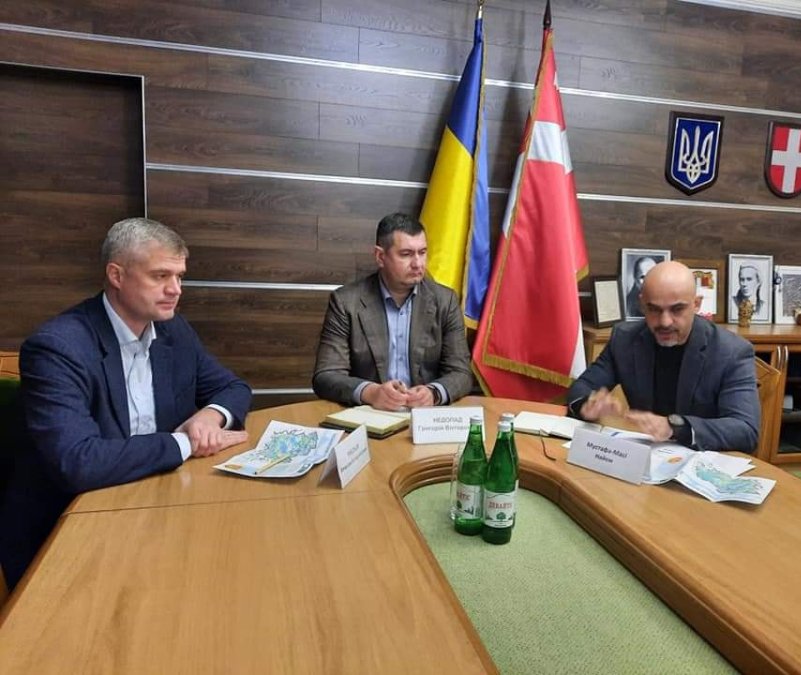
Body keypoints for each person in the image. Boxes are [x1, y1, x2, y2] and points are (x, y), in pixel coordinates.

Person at [0, 218, 252, 589]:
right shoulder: (58, 348)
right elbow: (79, 462)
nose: (175, 290)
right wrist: (185, 443)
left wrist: (210, 417)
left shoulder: (173, 330)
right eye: (160, 276)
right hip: (66, 531)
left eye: (179, 276)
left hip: (152, 504)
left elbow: (233, 387)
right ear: (116, 275)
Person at [567, 261, 759, 453]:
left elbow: (745, 429)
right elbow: (582, 387)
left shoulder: (732, 351)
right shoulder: (625, 339)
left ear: (696, 304)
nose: (665, 322)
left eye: (677, 309)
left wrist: (676, 427)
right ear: (642, 304)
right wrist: (589, 403)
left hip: (705, 458)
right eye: (654, 309)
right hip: (644, 456)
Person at [313, 212, 472, 411]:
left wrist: (433, 393)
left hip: (425, 417)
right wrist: (371, 392)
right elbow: (326, 375)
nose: (418, 263)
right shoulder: (346, 302)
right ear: (380, 256)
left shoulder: (445, 301)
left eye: (422, 252)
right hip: (370, 415)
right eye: (406, 254)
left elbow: (461, 373)